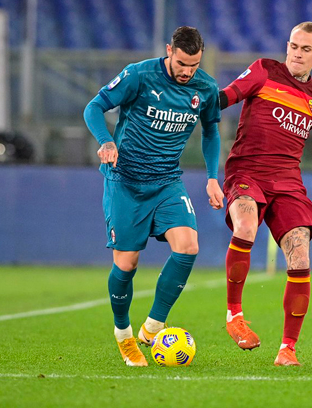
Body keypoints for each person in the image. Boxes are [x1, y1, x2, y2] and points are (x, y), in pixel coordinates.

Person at [83, 26, 224, 367]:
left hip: (167, 182)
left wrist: (211, 178)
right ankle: (124, 335)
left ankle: (154, 326)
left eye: (194, 64)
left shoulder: (205, 88)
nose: (187, 71)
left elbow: (211, 132)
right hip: (126, 181)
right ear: (169, 51)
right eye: (181, 63)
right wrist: (106, 141)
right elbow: (94, 108)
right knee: (126, 264)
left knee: (188, 246)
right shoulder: (139, 75)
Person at [218, 21, 312, 366]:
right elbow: (228, 95)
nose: (297, 53)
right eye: (293, 46)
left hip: (288, 183)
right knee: (245, 227)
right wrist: (202, 102)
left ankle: (287, 349)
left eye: (306, 49)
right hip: (247, 172)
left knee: (301, 260)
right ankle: (234, 316)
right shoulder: (265, 70)